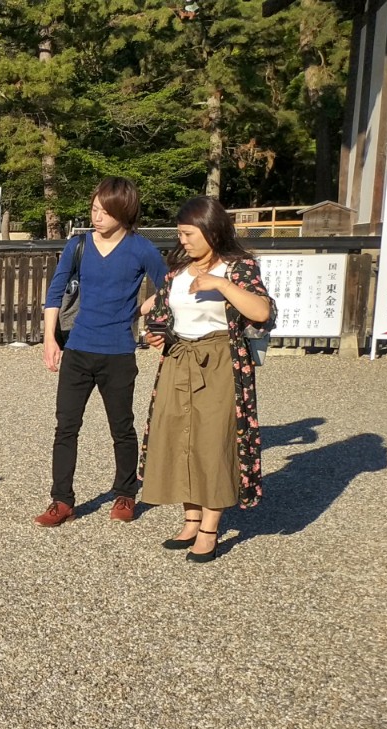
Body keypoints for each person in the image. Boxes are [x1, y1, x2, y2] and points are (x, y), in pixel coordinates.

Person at [139, 196, 275, 562]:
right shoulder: (177, 272)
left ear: (211, 230)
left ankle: (210, 530)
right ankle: (191, 519)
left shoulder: (238, 266)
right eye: (180, 234)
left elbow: (262, 311)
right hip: (178, 359)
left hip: (220, 361)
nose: (182, 240)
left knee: (213, 441)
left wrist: (222, 284)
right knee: (180, 437)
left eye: (188, 233)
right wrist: (157, 336)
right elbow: (161, 316)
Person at [34, 177, 169, 527]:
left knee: (121, 427)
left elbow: (170, 287)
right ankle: (61, 500)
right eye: (94, 209)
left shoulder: (141, 249)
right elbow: (55, 292)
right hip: (78, 349)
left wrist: (140, 311)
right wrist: (50, 339)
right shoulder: (77, 245)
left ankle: (125, 493)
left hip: (118, 353)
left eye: (105, 212)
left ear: (124, 212)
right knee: (66, 427)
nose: (97, 217)